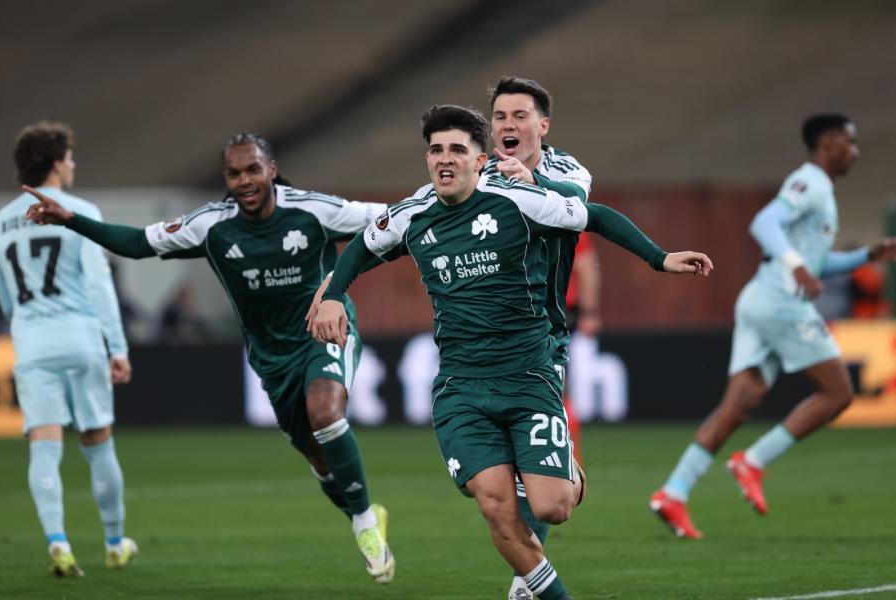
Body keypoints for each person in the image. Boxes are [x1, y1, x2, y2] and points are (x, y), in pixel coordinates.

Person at [311, 105, 712, 600]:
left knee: (551, 508)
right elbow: (362, 247)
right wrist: (333, 294)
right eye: (436, 150)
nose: (445, 158)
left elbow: (596, 217)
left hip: (528, 377)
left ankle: (567, 472)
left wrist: (659, 258)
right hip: (460, 388)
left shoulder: (518, 200)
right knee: (497, 508)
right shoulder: (412, 214)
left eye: (457, 149)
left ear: (480, 160)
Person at [25, 133, 396, 584]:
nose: (244, 181)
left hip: (323, 332)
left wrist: (337, 285)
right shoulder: (210, 225)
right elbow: (138, 242)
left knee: (326, 414)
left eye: (253, 169)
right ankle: (364, 512)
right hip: (271, 357)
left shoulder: (315, 210)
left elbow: (390, 222)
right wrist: (71, 221)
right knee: (318, 457)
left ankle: (364, 525)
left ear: (271, 170)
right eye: (234, 173)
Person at [650, 114, 896, 539]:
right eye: (850, 142)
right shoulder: (809, 182)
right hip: (782, 303)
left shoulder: (822, 191)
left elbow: (817, 264)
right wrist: (796, 266)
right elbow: (764, 223)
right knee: (838, 393)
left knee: (738, 405)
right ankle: (754, 461)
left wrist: (866, 256)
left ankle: (674, 492)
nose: (855, 152)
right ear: (829, 142)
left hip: (761, 299)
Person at [0, 121, 136, 576]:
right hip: (80, 337)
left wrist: (24, 323)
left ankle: (58, 542)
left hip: (32, 343)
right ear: (57, 164)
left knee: (44, 447)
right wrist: (118, 347)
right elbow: (100, 286)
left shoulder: (1, 221)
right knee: (98, 444)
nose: (73, 164)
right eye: (70, 157)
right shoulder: (80, 212)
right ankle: (114, 543)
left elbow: (4, 296)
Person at [483, 75, 599, 600]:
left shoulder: (566, 170)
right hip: (483, 338)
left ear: (543, 125)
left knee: (538, 478)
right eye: (500, 116)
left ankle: (524, 582)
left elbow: (580, 204)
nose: (508, 124)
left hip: (540, 335)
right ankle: (528, 578)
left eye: (520, 115)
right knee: (498, 478)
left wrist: (529, 183)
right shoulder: (476, 172)